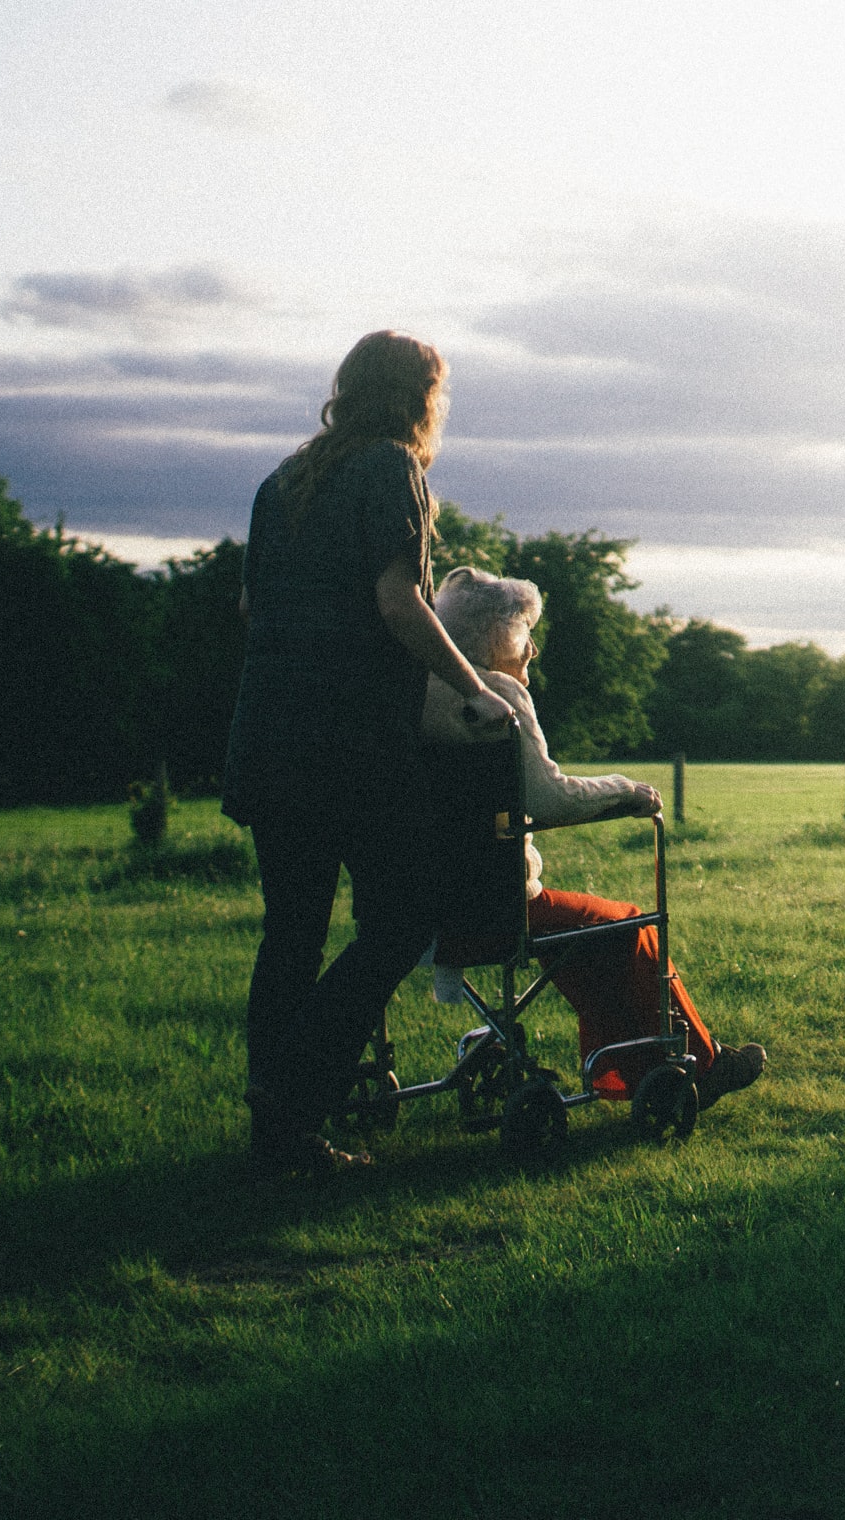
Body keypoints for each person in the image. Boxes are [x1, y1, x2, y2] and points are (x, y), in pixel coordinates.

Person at [222, 330, 516, 1170]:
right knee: (401, 920)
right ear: (421, 396)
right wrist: (474, 687)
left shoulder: (281, 482)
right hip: (348, 743)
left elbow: (253, 607)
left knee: (293, 933)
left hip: (269, 735)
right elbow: (399, 603)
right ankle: (293, 1090)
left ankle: (278, 1132)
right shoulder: (393, 471)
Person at [419, 566, 766, 1110]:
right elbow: (549, 798)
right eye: (524, 632)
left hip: (425, 909)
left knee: (588, 934)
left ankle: (622, 1073)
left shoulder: (420, 694)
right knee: (628, 924)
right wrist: (625, 789)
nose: (532, 648)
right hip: (496, 908)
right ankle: (701, 1063)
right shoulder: (497, 697)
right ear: (493, 637)